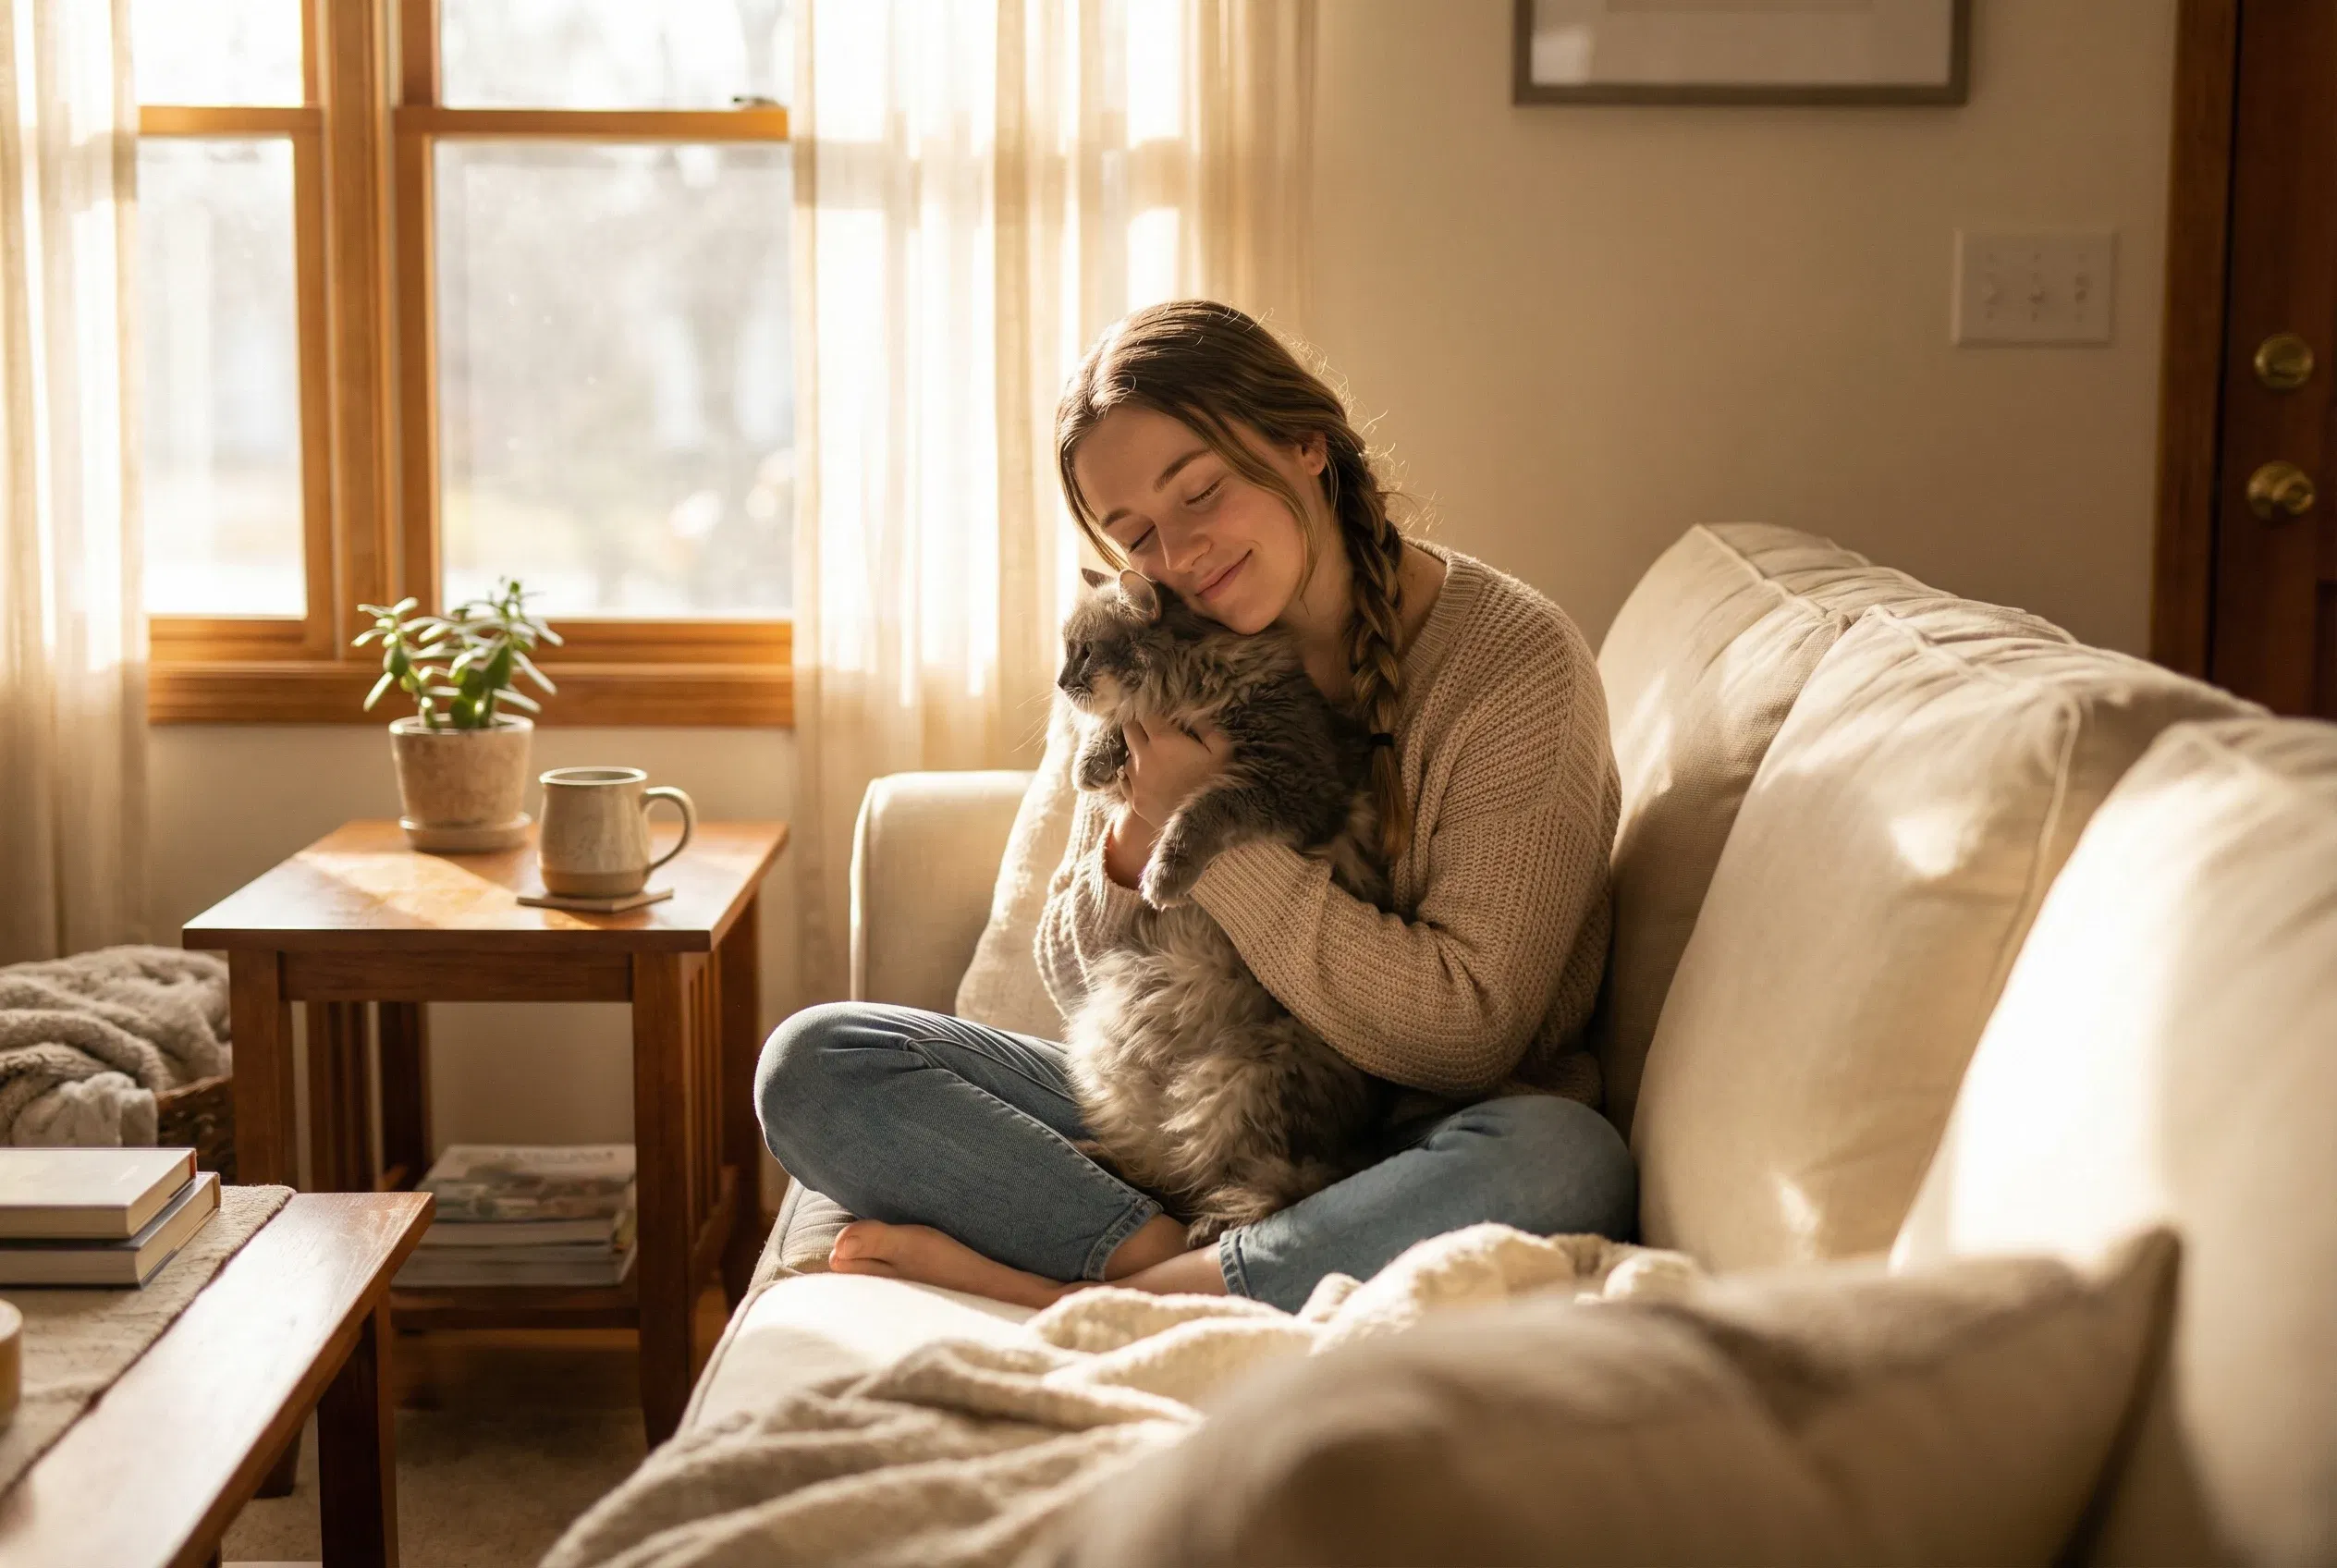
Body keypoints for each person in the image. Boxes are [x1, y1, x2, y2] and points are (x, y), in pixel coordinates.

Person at [756, 299, 1633, 1312]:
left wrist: (1202, 831)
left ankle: (1080, 1285)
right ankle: (1154, 1261)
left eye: (1201, 492)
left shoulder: (1514, 665)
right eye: (1138, 534)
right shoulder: (1156, 644)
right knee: (817, 1062)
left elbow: (1468, 1030)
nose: (1181, 556)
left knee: (1564, 1157)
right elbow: (1076, 974)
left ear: (1305, 444)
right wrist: (1136, 828)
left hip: (1416, 1136)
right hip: (1190, 1101)